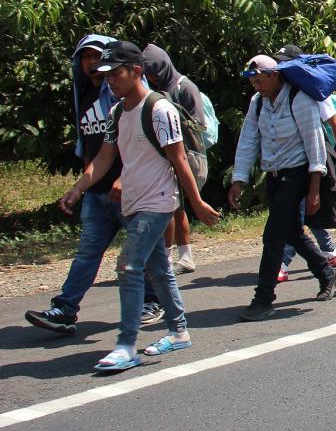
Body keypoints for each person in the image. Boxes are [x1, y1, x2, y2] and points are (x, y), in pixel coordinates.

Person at [58, 41, 220, 370]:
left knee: (129, 267)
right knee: (158, 270)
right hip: (133, 201)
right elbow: (104, 158)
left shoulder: (160, 110)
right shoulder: (117, 112)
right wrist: (77, 190)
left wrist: (197, 203)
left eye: (115, 74)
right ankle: (178, 332)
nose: (109, 81)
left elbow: (179, 161)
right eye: (105, 75)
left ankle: (126, 344)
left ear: (136, 72)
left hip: (157, 203)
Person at [25, 35, 129, 335]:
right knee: (87, 252)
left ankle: (155, 304)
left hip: (131, 190)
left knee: (142, 256)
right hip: (98, 192)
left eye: (96, 56)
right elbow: (93, 151)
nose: (91, 63)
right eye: (84, 58)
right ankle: (65, 309)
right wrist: (79, 188)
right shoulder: (84, 97)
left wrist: (125, 177)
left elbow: (141, 146)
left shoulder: (124, 96)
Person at [229, 55, 336, 320]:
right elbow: (248, 140)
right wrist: (239, 179)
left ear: (276, 75)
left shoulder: (299, 99)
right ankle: (328, 274)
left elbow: (315, 145)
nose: (255, 81)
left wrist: (314, 188)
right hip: (275, 175)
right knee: (291, 231)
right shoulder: (257, 103)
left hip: (299, 174)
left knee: (273, 235)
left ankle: (263, 298)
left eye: (260, 75)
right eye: (252, 77)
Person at [271, 44, 336, 280]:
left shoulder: (311, 90)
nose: (280, 67)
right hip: (287, 162)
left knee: (297, 213)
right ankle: (329, 251)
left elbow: (334, 125)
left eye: (283, 63)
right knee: (305, 211)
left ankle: (282, 262)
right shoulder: (273, 93)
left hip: (313, 159)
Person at [140, 44, 208, 277]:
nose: (149, 77)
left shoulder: (185, 87)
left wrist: (170, 111)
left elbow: (199, 123)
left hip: (186, 154)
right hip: (166, 156)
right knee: (174, 208)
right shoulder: (158, 89)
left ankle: (170, 259)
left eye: (151, 71)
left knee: (173, 208)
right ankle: (179, 257)